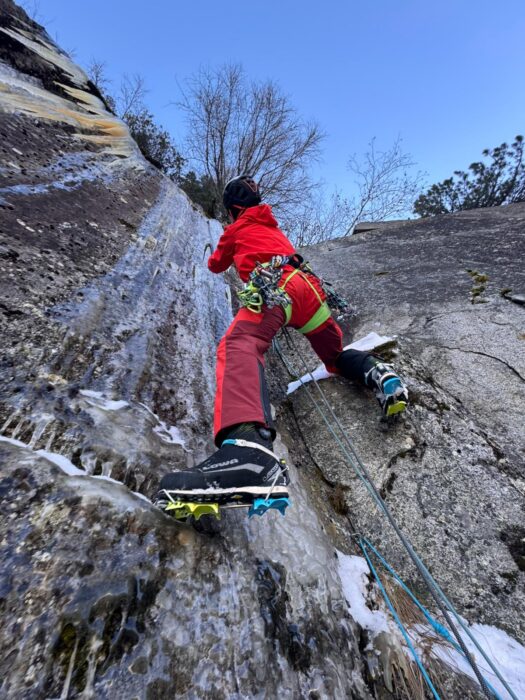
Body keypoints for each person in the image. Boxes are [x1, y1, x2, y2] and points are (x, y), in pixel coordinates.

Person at [155, 175, 408, 510]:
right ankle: (380, 375)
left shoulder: (234, 229)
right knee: (333, 357)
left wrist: (219, 249)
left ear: (233, 208)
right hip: (310, 292)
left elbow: (216, 266)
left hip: (276, 290)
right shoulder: (272, 226)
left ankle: (248, 453)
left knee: (240, 345)